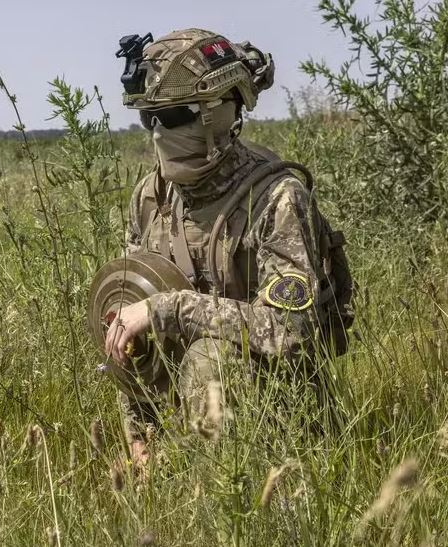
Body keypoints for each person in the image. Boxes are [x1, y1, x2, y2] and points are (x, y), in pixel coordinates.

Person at [101, 29, 353, 466]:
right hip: (183, 409)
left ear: (217, 113)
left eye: (173, 115)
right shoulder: (151, 197)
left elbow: (290, 331)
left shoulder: (276, 199)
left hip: (284, 414)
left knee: (209, 357)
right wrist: (139, 434)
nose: (159, 132)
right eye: (149, 118)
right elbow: (132, 333)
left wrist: (168, 308)